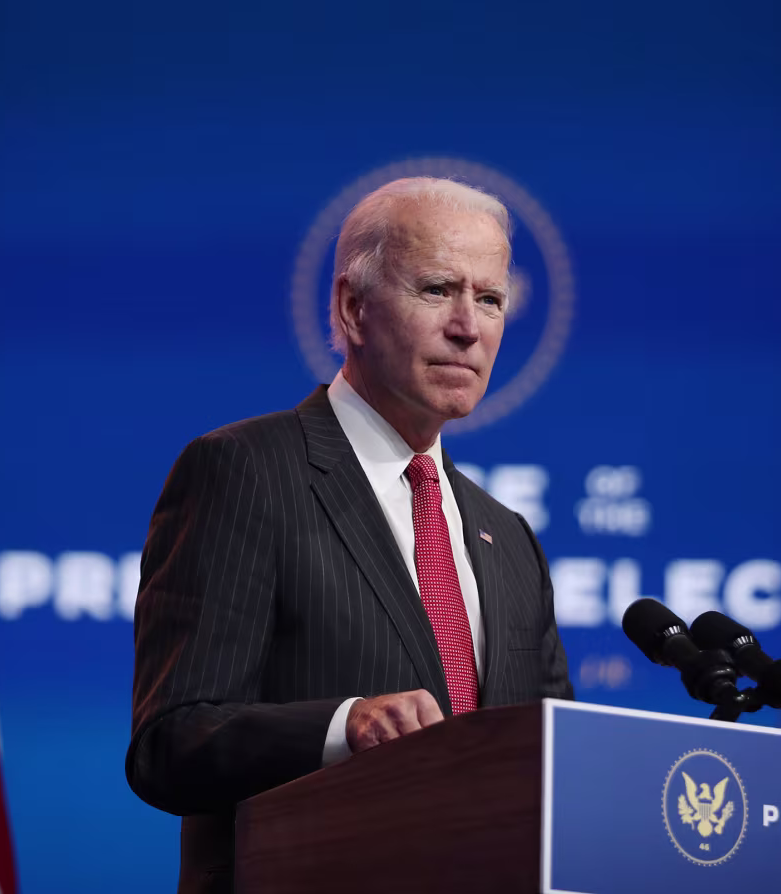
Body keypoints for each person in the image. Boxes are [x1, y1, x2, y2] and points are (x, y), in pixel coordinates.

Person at [125, 177, 574, 893]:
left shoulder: (509, 538)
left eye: (490, 299)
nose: (469, 326)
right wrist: (344, 728)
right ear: (353, 308)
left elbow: (558, 773)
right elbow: (171, 743)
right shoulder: (245, 471)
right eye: (437, 290)